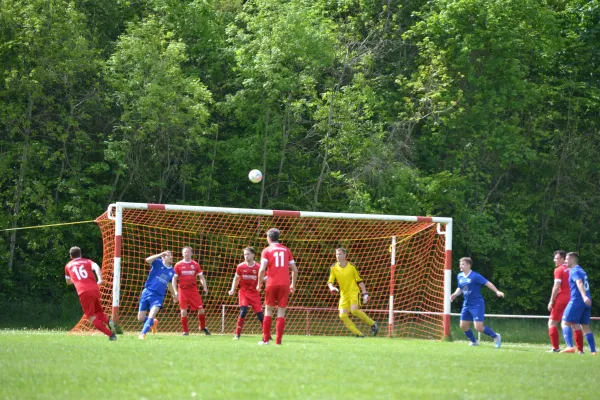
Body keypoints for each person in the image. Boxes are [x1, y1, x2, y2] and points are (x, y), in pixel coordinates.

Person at [256, 228, 298, 345]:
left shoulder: (267, 250)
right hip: (285, 284)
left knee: (268, 310)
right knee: (281, 312)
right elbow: (295, 270)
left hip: (271, 283)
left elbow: (262, 269)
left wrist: (259, 284)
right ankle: (278, 342)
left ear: (268, 238)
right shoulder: (286, 250)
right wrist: (292, 285)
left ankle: (265, 340)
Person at [450, 257, 504, 348]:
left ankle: (496, 336)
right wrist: (455, 294)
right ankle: (474, 342)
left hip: (477, 304)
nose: (460, 266)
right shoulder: (459, 276)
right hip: (466, 304)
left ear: (468, 265)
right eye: (460, 264)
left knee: (478, 327)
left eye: (463, 264)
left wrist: (497, 291)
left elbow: (488, 283)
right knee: (463, 326)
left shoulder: (475, 276)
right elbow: (460, 288)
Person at [64, 246, 116, 340]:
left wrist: (75, 280)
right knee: (98, 312)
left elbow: (68, 282)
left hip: (84, 292)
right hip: (95, 289)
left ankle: (111, 335)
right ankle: (108, 321)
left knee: (91, 316)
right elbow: (96, 267)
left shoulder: (68, 265)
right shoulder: (88, 261)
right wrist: (100, 279)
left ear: (71, 256)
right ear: (81, 254)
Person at [327, 247, 378, 337]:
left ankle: (372, 323)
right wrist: (332, 288)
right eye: (336, 254)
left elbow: (359, 281)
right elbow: (330, 281)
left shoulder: (352, 267)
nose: (337, 256)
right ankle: (358, 334)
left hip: (354, 292)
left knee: (354, 310)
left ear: (344, 255)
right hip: (343, 294)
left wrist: (365, 293)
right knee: (342, 315)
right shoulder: (333, 268)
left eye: (339, 254)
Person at [547, 250, 584, 352]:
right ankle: (580, 350)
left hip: (561, 300)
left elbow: (556, 285)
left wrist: (551, 300)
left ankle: (556, 348)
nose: (554, 260)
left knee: (552, 323)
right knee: (574, 323)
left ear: (563, 259)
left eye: (556, 258)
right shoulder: (574, 269)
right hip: (573, 299)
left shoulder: (559, 270)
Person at [560, 252, 596, 355]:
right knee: (585, 326)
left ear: (572, 259)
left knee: (565, 322)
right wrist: (586, 297)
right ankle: (593, 351)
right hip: (587, 301)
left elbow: (579, 283)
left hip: (578, 299)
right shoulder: (582, 270)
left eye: (566, 259)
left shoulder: (574, 271)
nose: (565, 261)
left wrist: (583, 296)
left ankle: (570, 347)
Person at [138, 250, 178, 339]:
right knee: (140, 318)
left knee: (153, 313)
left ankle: (142, 334)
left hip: (158, 296)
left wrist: (174, 295)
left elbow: (170, 284)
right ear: (163, 257)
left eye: (171, 255)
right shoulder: (157, 262)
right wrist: (159, 254)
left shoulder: (172, 271)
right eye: (168, 255)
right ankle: (153, 322)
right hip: (147, 291)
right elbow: (147, 260)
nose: (171, 257)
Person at [228, 247, 265, 339]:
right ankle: (237, 334)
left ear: (253, 255)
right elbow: (236, 278)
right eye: (245, 254)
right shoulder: (240, 266)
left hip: (255, 293)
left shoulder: (258, 267)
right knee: (243, 311)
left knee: (260, 314)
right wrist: (232, 289)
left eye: (248, 254)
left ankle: (266, 334)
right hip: (244, 292)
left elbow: (265, 278)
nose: (246, 256)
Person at [173, 246, 210, 336]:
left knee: (201, 310)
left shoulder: (195, 264)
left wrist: (204, 286)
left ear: (192, 253)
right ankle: (185, 331)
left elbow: (201, 277)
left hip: (193, 290)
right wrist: (175, 291)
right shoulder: (178, 265)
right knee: (183, 311)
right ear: (182, 254)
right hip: (182, 290)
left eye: (188, 252)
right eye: (185, 252)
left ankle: (202, 327)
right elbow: (174, 279)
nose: (187, 254)